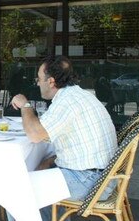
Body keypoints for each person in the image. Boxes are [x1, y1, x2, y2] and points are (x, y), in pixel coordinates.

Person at [9, 55, 118, 220]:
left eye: (39, 79)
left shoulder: (66, 102)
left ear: (51, 81)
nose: (37, 83)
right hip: (101, 175)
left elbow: (34, 134)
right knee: (40, 168)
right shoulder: (79, 95)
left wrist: (25, 104)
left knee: (16, 191)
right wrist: (49, 160)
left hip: (90, 180)